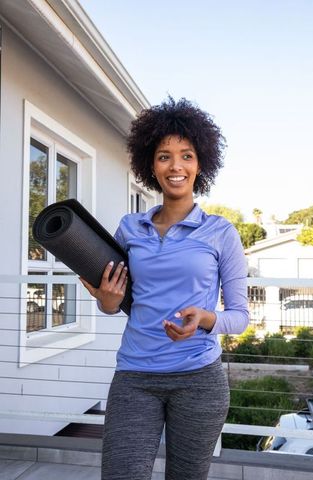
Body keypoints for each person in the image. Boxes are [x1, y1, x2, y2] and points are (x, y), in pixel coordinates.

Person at [80, 97, 249, 480]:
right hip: (135, 377)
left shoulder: (220, 232)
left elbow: (239, 317)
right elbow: (120, 301)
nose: (176, 166)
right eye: (164, 156)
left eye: (186, 156)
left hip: (198, 380)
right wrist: (107, 303)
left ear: (200, 163)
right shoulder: (129, 228)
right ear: (150, 165)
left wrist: (206, 319)